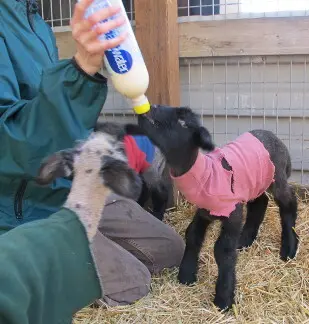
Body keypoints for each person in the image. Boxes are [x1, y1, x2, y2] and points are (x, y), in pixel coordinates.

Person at [0, 0, 185, 323]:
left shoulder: (34, 20)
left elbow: (51, 115)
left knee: (170, 250)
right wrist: (82, 67)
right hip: (16, 210)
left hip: (59, 188)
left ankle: (81, 251)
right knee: (134, 282)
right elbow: (11, 142)